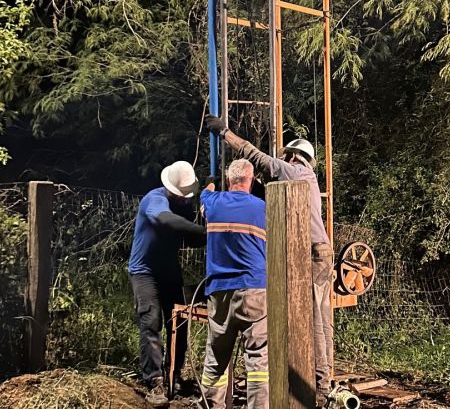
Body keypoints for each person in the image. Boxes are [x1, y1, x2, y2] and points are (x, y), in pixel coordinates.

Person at [205, 115, 334, 405]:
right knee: (321, 321)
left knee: (312, 321)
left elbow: (258, 158)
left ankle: (320, 391)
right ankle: (324, 385)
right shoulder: (305, 178)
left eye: (284, 155)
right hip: (319, 252)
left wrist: (225, 133)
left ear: (293, 155)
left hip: (310, 253)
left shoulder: (296, 171)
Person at [128, 160, 207, 406]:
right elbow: (166, 221)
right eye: (181, 196)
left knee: (179, 322)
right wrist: (206, 232)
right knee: (151, 322)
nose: (185, 200)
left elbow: (190, 238)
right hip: (145, 271)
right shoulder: (156, 200)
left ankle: (174, 374)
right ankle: (155, 381)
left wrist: (213, 232)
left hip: (168, 270)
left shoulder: (183, 205)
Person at [199, 159, 269, 408]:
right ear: (251, 180)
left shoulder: (213, 202)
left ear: (229, 180)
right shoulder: (263, 208)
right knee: (259, 359)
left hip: (219, 291)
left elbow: (203, 196)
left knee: (216, 359)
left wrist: (211, 182)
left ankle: (212, 405)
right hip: (255, 290)